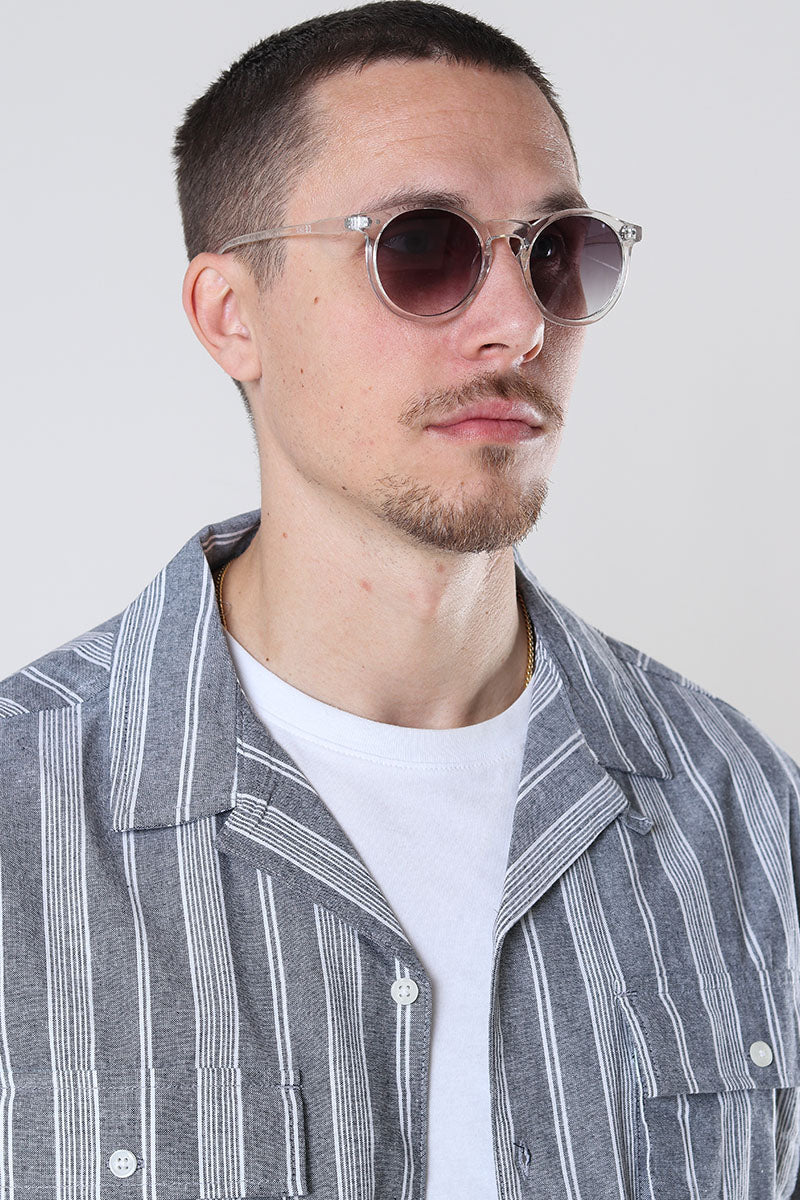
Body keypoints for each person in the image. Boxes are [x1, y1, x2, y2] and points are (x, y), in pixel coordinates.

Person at [1, 2, 798, 1197]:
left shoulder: (744, 816)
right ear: (231, 315)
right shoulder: (22, 819)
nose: (517, 324)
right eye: (421, 248)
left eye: (555, 251)